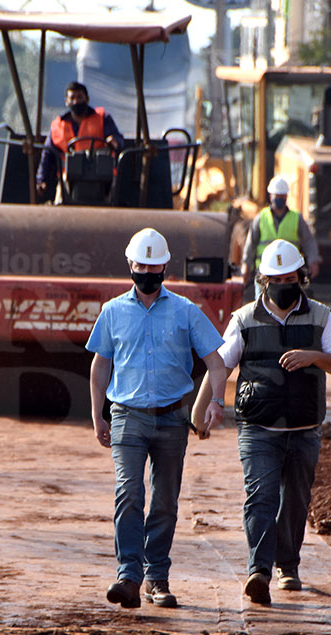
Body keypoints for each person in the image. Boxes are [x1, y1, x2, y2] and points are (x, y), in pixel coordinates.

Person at [192, 239, 331, 606]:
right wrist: (204, 409)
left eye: (290, 278)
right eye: (276, 279)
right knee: (261, 497)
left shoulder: (321, 317)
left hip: (304, 428)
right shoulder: (244, 319)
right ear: (263, 280)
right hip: (258, 428)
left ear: (301, 278)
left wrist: (313, 356)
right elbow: (220, 366)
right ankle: (259, 571)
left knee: (295, 500)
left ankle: (288, 566)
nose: (283, 284)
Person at [86, 227, 228, 609]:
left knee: (165, 502)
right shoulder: (113, 312)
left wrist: (217, 402)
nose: (147, 272)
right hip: (127, 418)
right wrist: (97, 415)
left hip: (172, 420)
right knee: (129, 493)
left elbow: (216, 362)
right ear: (129, 264)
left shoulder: (186, 311)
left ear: (165, 266)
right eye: (141, 266)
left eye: (154, 266)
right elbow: (100, 365)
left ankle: (156, 578)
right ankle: (128, 576)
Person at [36, 81, 124, 200]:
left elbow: (117, 139)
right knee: (60, 200)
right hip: (68, 179)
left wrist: (114, 141)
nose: (76, 101)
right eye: (72, 98)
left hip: (101, 179)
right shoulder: (58, 125)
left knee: (110, 195)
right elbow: (48, 153)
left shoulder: (102, 118)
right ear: (66, 101)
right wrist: (41, 180)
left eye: (79, 97)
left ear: (87, 99)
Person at [241, 175, 321, 299]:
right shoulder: (261, 217)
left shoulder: (296, 218)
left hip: (290, 270)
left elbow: (308, 241)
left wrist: (313, 261)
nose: (280, 199)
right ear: (271, 196)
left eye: (282, 196)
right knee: (262, 302)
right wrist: (246, 264)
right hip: (265, 270)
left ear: (286, 197)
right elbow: (251, 243)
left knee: (290, 301)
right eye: (277, 196)